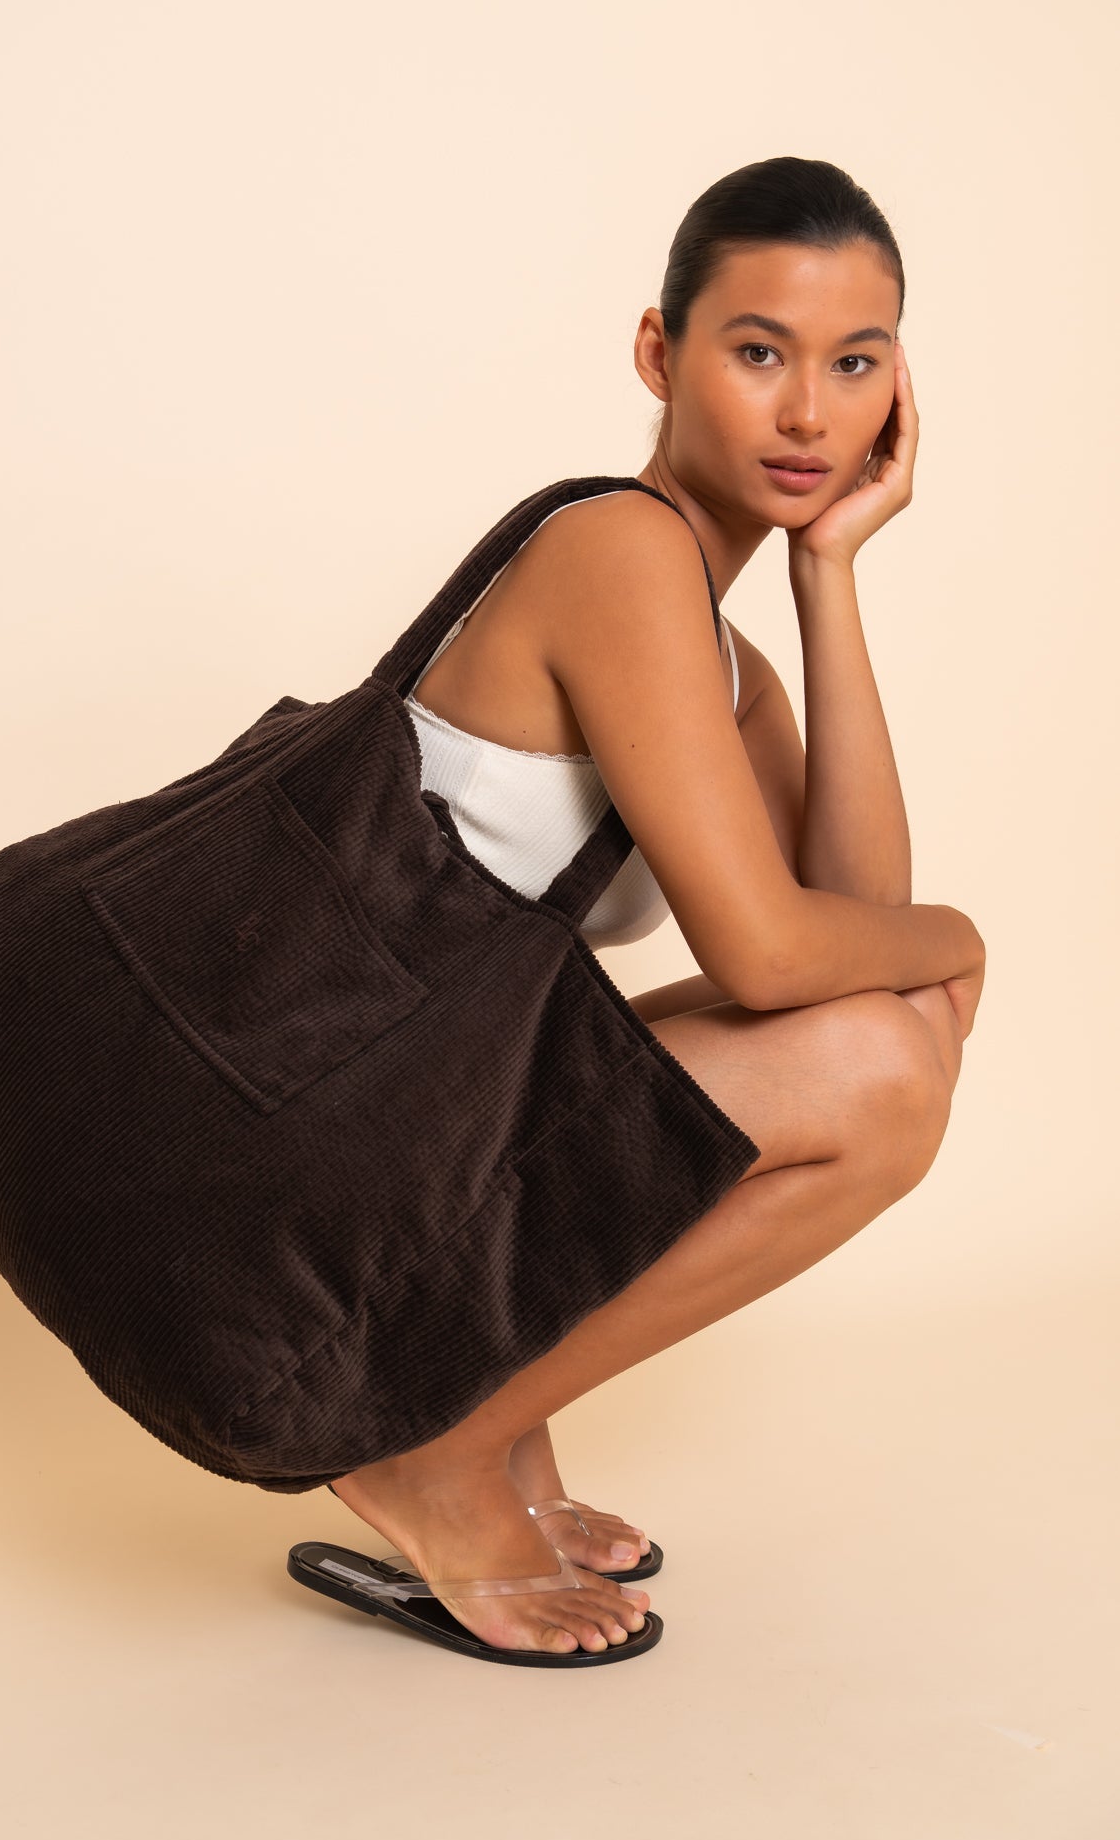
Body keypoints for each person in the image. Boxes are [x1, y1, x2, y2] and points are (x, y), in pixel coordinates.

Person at [327, 154, 986, 1659]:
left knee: (890, 1031)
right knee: (886, 1060)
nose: (808, 413)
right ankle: (435, 1446)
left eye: (855, 364)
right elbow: (777, 956)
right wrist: (965, 936)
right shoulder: (615, 552)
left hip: (439, 1117)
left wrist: (827, 575)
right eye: (757, 352)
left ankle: (493, 1427)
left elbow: (848, 935)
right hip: (334, 1136)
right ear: (658, 353)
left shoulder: (716, 652)